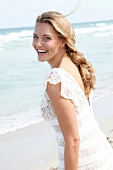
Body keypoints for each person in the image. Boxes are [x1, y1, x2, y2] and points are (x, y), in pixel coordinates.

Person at [32, 11, 113, 170]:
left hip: (84, 163)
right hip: (101, 154)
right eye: (35, 36)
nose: (38, 44)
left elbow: (73, 140)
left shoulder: (56, 79)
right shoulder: (74, 65)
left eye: (46, 38)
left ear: (62, 41)